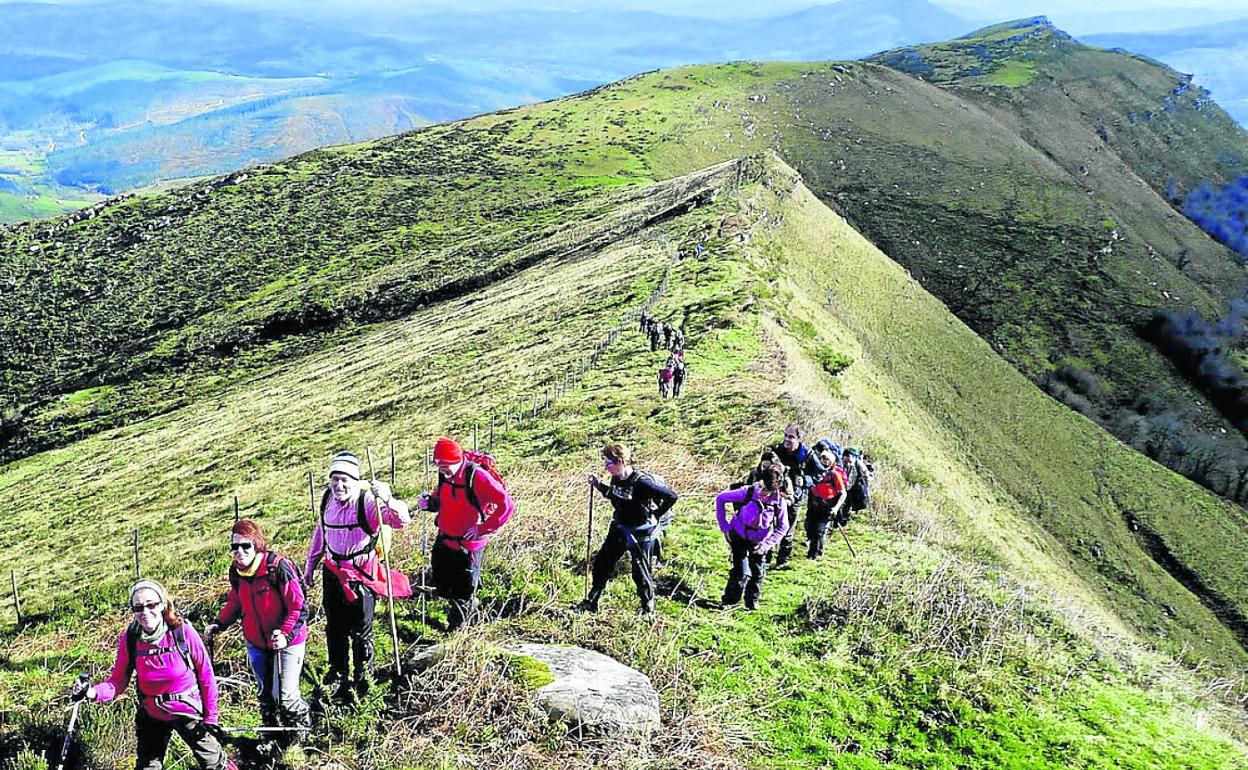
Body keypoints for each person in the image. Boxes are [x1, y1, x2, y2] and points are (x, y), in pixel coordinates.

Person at [70, 580, 234, 770]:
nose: (145, 612)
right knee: (148, 766)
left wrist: (211, 718)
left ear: (163, 604)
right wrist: (91, 692)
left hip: (186, 709)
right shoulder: (131, 638)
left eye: (151, 605)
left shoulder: (183, 632)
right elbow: (117, 681)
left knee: (214, 764)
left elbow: (206, 676)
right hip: (151, 711)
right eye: (138, 607)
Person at [303, 451, 412, 702]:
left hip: (361, 575)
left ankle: (364, 678)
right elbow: (321, 536)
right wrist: (310, 568)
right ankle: (338, 674)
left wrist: (387, 498)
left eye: (345, 480)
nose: (339, 485)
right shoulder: (326, 500)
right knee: (335, 628)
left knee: (361, 630)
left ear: (355, 480)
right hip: (332, 574)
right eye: (335, 479)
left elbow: (401, 520)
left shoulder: (369, 503)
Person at [204, 520, 309, 744]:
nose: (239, 552)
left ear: (257, 545)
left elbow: (298, 607)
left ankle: (299, 736)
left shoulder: (277, 568)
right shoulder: (237, 572)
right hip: (256, 641)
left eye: (245, 546)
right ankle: (271, 737)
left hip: (287, 641)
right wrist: (219, 624)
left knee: (286, 696)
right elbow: (236, 601)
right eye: (235, 547)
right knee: (265, 694)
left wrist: (285, 634)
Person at [416, 437, 514, 631]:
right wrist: (429, 503)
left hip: (467, 547)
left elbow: (507, 505)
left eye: (444, 465)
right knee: (443, 585)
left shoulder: (477, 476)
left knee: (463, 591)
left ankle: (458, 630)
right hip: (444, 539)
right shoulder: (445, 474)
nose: (441, 469)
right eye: (438, 464)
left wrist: (482, 529)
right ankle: (467, 607)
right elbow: (442, 497)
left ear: (456, 461)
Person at [579, 443, 678, 615]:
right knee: (602, 564)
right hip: (619, 528)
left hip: (641, 533)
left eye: (608, 463)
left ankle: (648, 611)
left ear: (619, 461)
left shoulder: (643, 483)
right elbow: (614, 494)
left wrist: (656, 514)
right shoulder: (616, 477)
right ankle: (592, 602)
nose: (605, 467)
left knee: (640, 573)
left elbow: (671, 496)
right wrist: (598, 485)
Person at [715, 465, 789, 610]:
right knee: (742, 572)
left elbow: (783, 527)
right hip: (738, 535)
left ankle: (751, 601)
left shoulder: (779, 501)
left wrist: (766, 545)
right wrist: (725, 527)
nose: (762, 493)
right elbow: (721, 498)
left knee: (758, 573)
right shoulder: (747, 492)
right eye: (762, 488)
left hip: (760, 541)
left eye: (767, 491)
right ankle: (730, 601)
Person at [769, 424, 825, 568]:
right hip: (773, 494)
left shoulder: (807, 454)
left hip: (794, 498)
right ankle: (765, 557)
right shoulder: (777, 450)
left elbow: (820, 473)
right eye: (786, 435)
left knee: (787, 528)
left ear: (799, 439)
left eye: (791, 437)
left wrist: (805, 480)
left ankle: (783, 560)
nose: (787, 440)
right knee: (768, 525)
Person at [806, 441, 848, 559]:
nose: (824, 461)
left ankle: (816, 554)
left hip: (827, 508)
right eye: (822, 459)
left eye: (827, 459)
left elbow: (842, 493)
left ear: (832, 461)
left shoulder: (834, 475)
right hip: (813, 506)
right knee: (810, 528)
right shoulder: (815, 473)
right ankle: (812, 552)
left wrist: (835, 508)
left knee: (820, 531)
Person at [841, 446, 874, 520]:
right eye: (846, 462)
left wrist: (861, 483)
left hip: (853, 489)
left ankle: (845, 518)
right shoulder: (840, 464)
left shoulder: (858, 464)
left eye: (850, 462)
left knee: (848, 505)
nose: (848, 464)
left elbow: (867, 476)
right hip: (842, 488)